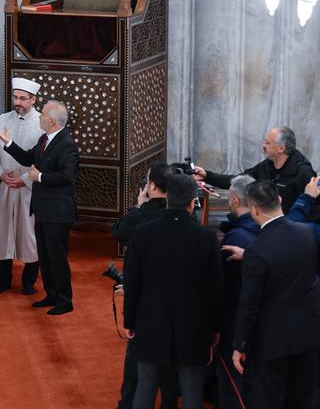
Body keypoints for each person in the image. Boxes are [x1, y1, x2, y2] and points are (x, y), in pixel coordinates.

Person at [123, 174, 225, 409]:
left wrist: (130, 321)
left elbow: (133, 282)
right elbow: (215, 288)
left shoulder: (143, 233)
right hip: (193, 326)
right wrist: (216, 327)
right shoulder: (207, 238)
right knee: (191, 388)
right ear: (193, 202)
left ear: (167, 197)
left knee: (145, 386)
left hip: (149, 322)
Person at [231, 180, 320, 409]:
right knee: (303, 397)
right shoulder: (308, 233)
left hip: (272, 342)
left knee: (269, 399)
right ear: (279, 200)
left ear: (254, 210)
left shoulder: (258, 251)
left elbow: (249, 305)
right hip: (309, 335)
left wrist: (240, 344)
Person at [0, 100, 79, 315]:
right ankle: (51, 294)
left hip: (57, 212)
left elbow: (68, 176)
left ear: (51, 120)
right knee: (46, 256)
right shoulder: (45, 139)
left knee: (56, 258)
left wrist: (38, 176)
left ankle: (64, 301)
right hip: (42, 209)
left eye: (42, 116)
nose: (39, 117)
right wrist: (8, 142)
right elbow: (27, 157)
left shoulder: (66, 144)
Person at [111, 162, 179, 409]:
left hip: (144, 301)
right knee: (170, 363)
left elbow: (117, 231)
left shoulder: (140, 218)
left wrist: (138, 205)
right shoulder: (183, 218)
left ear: (151, 186)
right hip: (175, 301)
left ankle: (127, 403)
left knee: (136, 362)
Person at [0, 78, 44, 295]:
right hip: (6, 187)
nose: (17, 102)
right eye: (15, 97)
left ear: (33, 99)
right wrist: (1, 174)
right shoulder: (3, 119)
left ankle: (29, 281)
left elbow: (43, 161)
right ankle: (4, 280)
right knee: (4, 233)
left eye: (22, 98)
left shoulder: (41, 123)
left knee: (28, 235)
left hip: (29, 189)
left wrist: (25, 180)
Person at [213, 175, 259, 409]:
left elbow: (223, 287)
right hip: (261, 323)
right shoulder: (264, 230)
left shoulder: (236, 238)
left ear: (235, 200)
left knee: (232, 384)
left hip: (236, 322)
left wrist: (217, 326)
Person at [193, 126, 314, 213]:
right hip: (265, 226)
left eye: (267, 142)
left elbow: (314, 208)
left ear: (280, 148)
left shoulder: (303, 172)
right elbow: (240, 180)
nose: (263, 145)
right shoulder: (267, 165)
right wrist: (207, 176)